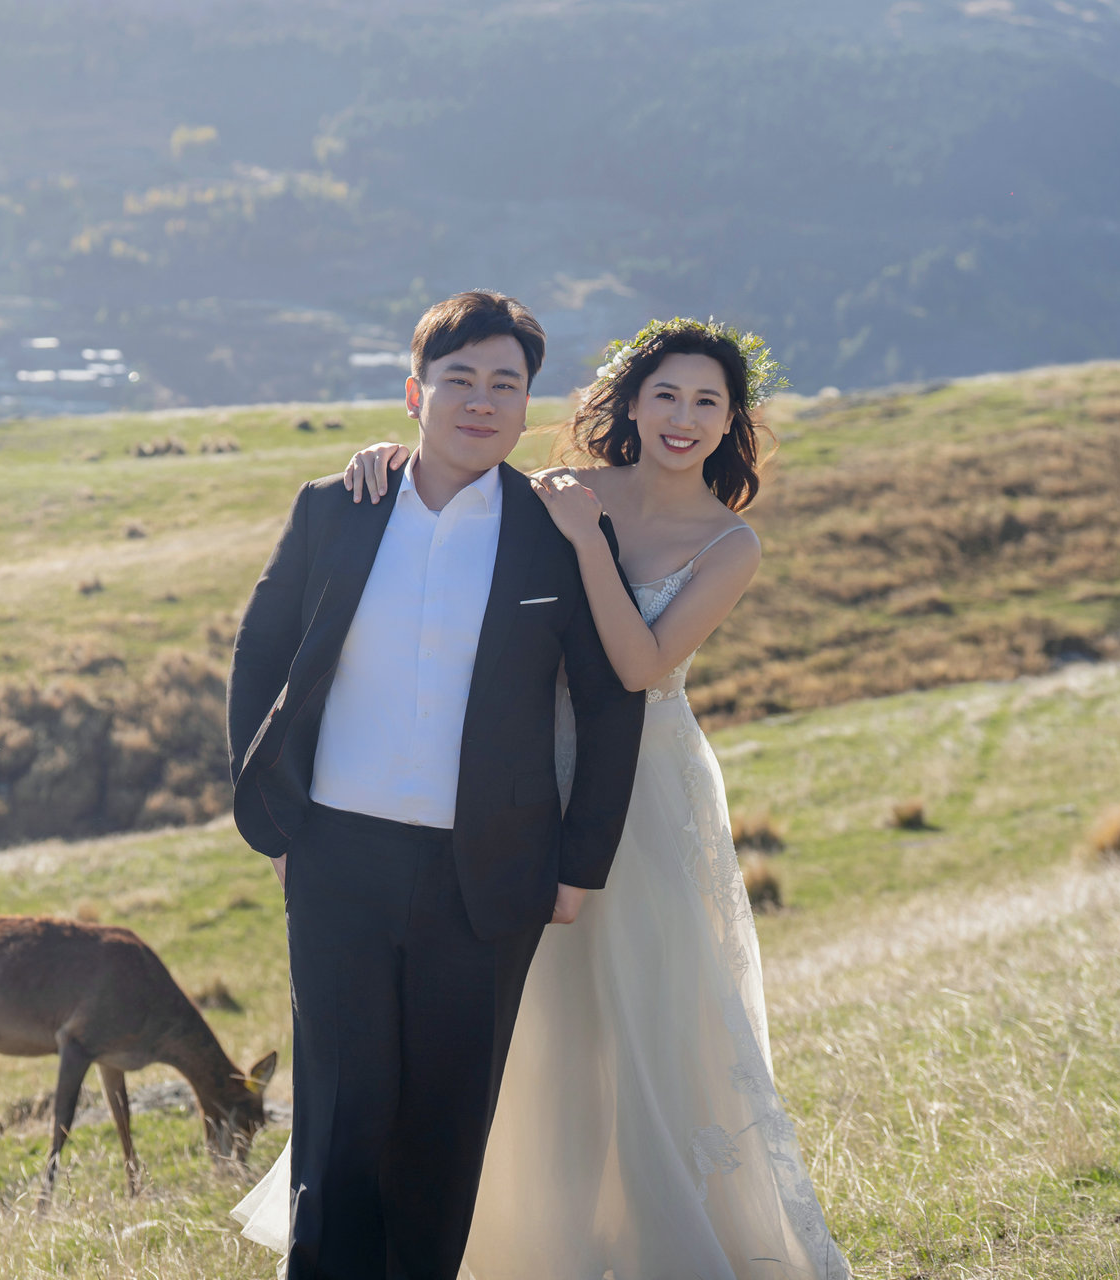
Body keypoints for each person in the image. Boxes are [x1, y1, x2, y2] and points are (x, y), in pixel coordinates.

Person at [235, 317, 851, 1278]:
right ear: (629, 403)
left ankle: (611, 1238)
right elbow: (296, 625)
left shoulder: (670, 535)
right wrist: (384, 459)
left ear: (733, 420)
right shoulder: (540, 493)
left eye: (708, 402)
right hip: (446, 801)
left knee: (606, 1036)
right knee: (432, 1072)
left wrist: (578, 859)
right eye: (666, 394)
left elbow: (631, 679)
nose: (684, 416)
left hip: (604, 803)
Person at [225, 290, 647, 1279]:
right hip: (337, 858)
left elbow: (610, 701)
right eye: (459, 379)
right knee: (341, 1113)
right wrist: (275, 820)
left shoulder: (558, 533)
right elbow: (260, 654)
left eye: (505, 383)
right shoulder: (337, 507)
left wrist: (580, 864)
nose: (481, 401)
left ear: (528, 405)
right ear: (416, 393)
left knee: (444, 1129)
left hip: (489, 875)